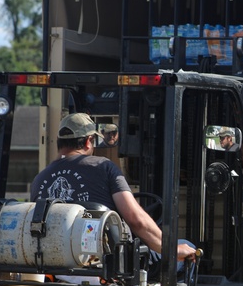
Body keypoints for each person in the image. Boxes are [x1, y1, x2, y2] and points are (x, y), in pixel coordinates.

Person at [31, 113, 196, 271]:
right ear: (89, 141)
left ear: (58, 143)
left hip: (58, 265)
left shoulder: (39, 179)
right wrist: (169, 249)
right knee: (188, 247)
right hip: (104, 265)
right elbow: (136, 221)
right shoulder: (104, 167)